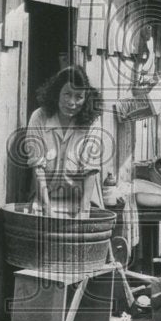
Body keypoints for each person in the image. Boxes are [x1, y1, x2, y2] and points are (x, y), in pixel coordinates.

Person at [24, 65, 105, 218]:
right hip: (45, 199)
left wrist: (84, 210)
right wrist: (47, 209)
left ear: (86, 98)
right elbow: (37, 166)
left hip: (82, 201)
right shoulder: (39, 117)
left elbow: (91, 168)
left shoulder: (92, 121)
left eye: (79, 97)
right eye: (67, 94)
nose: (72, 103)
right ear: (57, 93)